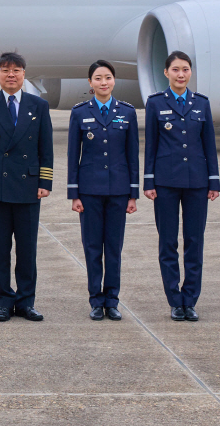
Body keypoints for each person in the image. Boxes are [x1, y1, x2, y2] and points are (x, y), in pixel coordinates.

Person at [0, 51, 54, 323]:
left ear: (23, 74)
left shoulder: (38, 106)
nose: (11, 75)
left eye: (16, 70)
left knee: (27, 250)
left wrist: (45, 182)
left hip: (28, 186)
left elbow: (46, 148)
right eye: (5, 70)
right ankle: (4, 301)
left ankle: (26, 302)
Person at [143, 51, 220, 321]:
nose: (181, 74)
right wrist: (149, 181)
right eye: (175, 69)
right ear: (166, 73)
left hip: (197, 181)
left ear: (190, 72)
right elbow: (151, 145)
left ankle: (190, 298)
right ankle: (175, 300)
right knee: (168, 242)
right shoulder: (155, 103)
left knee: (194, 241)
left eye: (185, 69)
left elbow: (209, 145)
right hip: (165, 181)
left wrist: (214, 180)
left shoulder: (201, 103)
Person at [68, 60, 138, 321]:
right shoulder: (79, 113)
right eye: (98, 78)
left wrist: (133, 194)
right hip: (90, 191)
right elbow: (73, 155)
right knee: (92, 247)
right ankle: (96, 300)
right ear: (90, 82)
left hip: (119, 190)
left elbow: (132, 156)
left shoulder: (127, 112)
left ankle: (112, 300)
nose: (103, 82)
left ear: (114, 80)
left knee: (114, 248)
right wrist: (74, 194)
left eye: (108, 77)